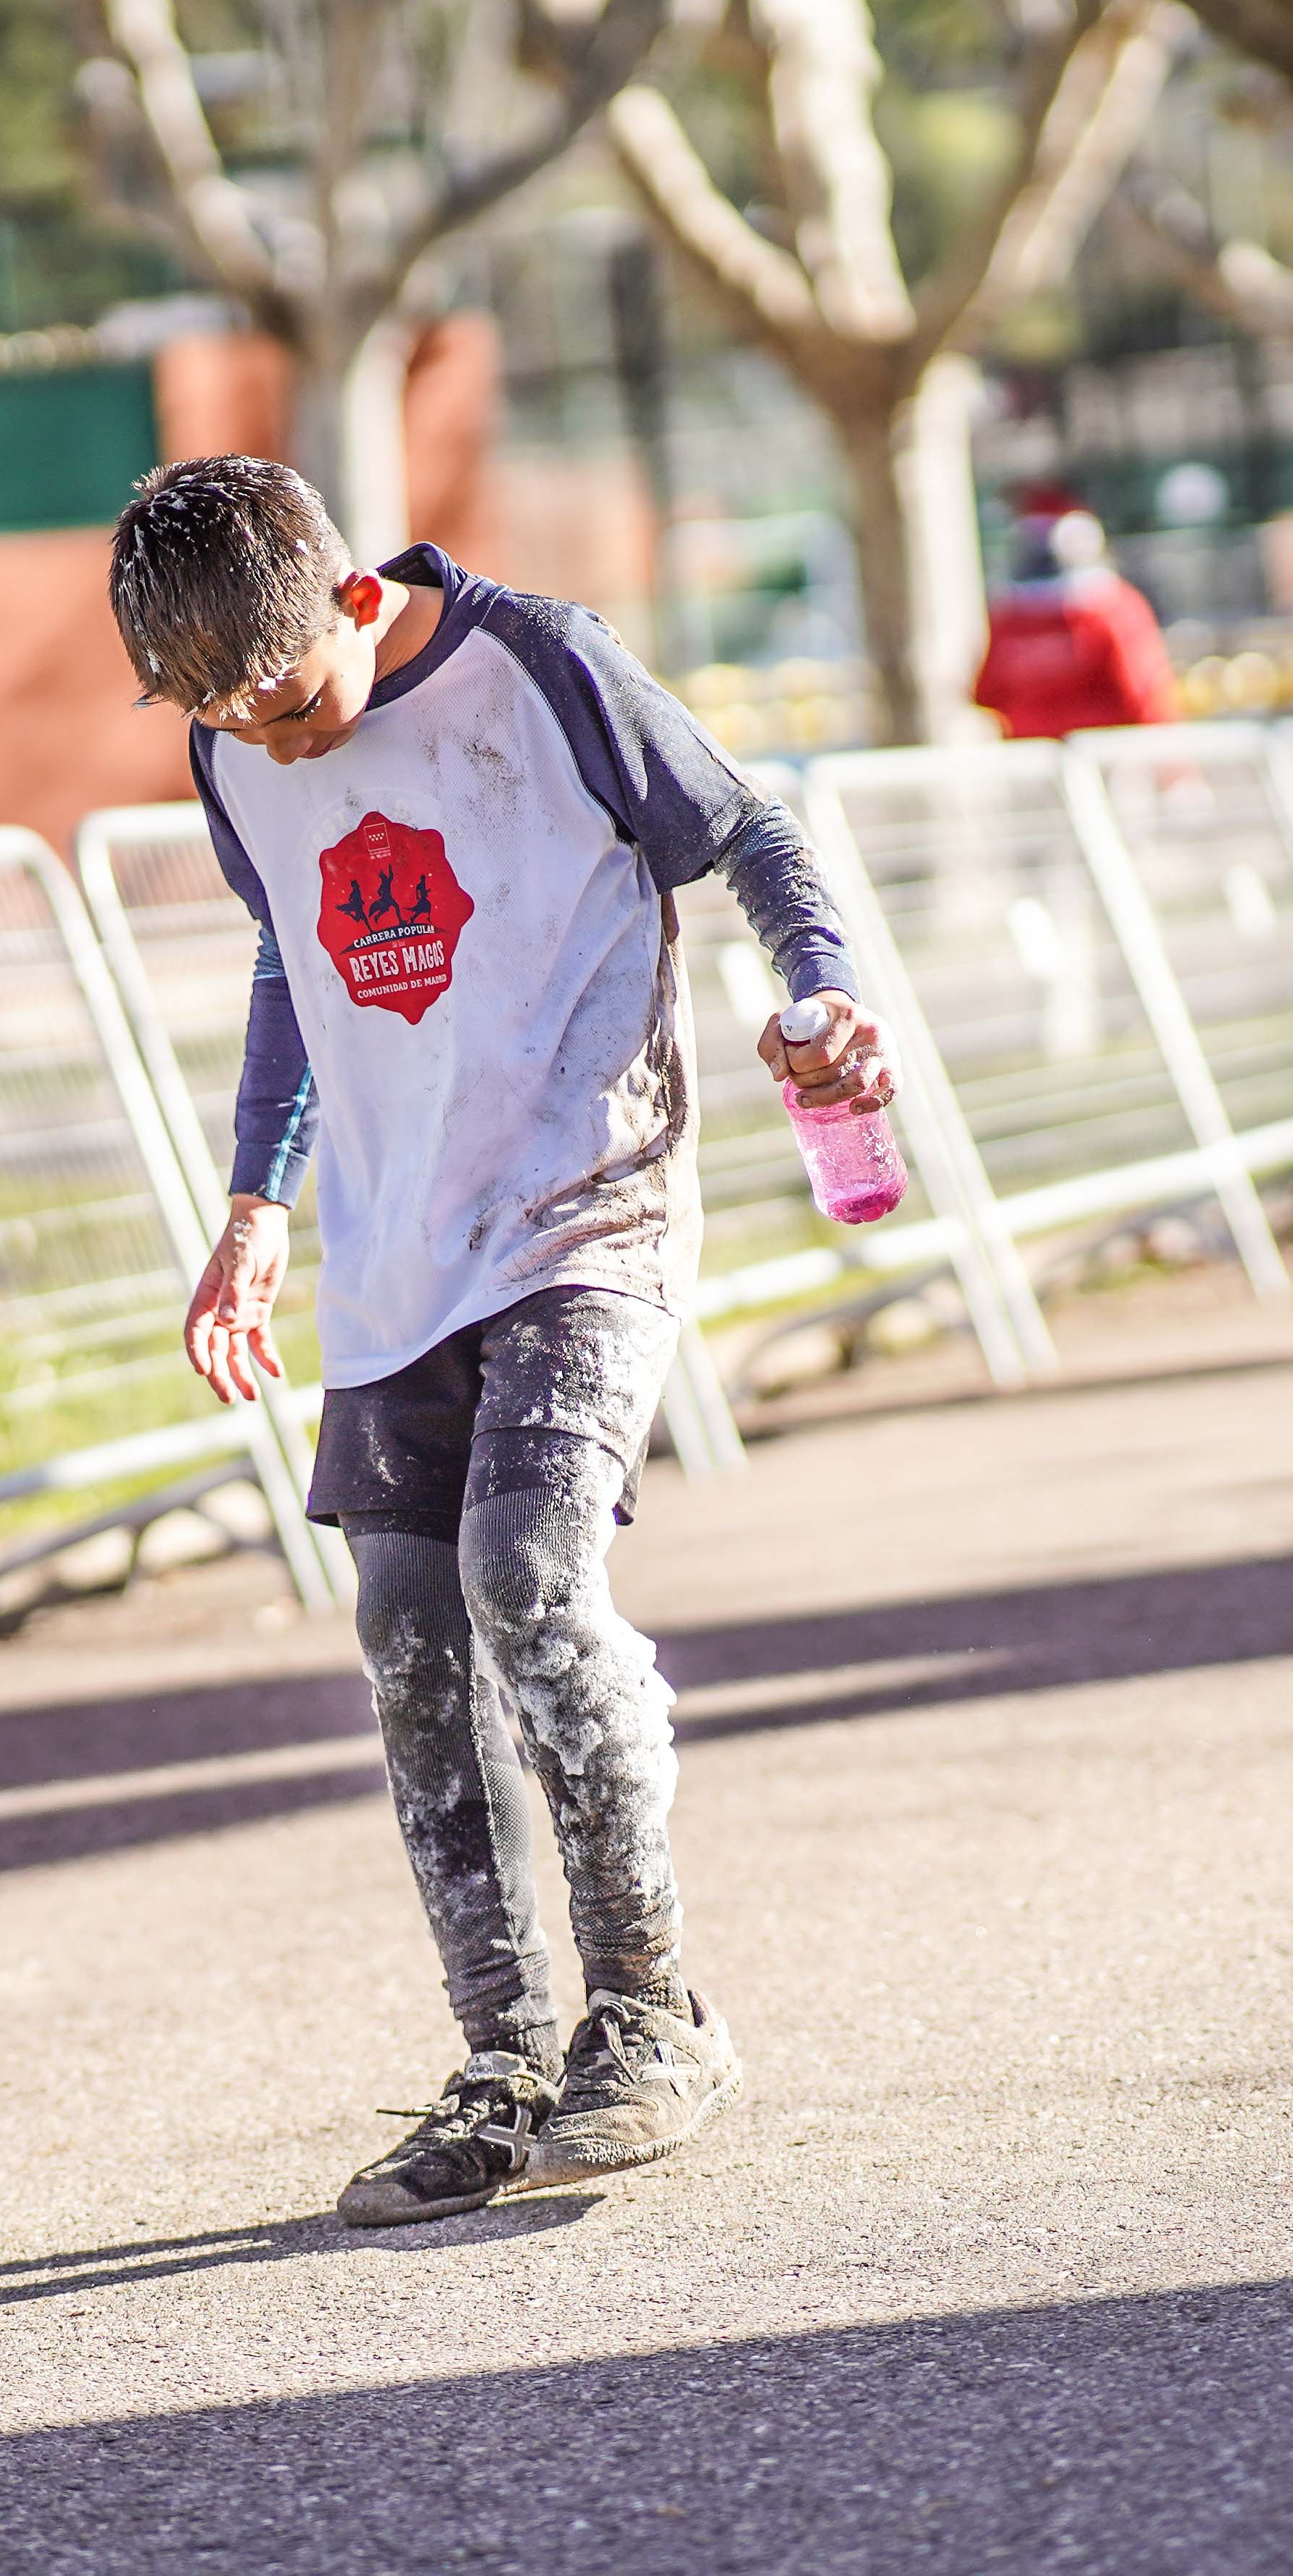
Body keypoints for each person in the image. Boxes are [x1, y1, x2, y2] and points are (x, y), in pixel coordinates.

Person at [106, 456, 899, 2226]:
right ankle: (502, 2058)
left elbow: (751, 828)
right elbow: (290, 967)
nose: (277, 741)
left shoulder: (538, 663)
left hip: (585, 1202)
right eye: (224, 717)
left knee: (526, 1576)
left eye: (295, 695)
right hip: (396, 1253)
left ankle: (650, 2009)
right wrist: (252, 1207)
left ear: (351, 606)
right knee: (405, 1640)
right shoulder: (234, 745)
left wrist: (815, 980)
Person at [970, 505, 1182, 739]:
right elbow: (1146, 692)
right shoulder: (1110, 607)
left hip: (1064, 756)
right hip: (1098, 756)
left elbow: (986, 693)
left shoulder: (1010, 617)